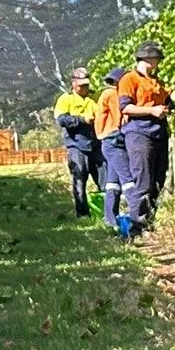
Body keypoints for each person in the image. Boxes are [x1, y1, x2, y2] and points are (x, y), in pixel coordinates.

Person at [118, 41, 174, 229]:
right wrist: (151, 111)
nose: (158, 62)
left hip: (159, 132)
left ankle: (149, 221)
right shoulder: (129, 79)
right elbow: (125, 107)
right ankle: (137, 225)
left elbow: (167, 103)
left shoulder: (158, 82)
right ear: (148, 59)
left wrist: (171, 103)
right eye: (157, 59)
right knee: (143, 179)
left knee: (158, 178)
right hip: (139, 133)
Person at [53, 67, 99, 217]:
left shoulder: (94, 97)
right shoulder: (66, 99)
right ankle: (82, 213)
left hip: (96, 143)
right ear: (73, 83)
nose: (85, 88)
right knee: (80, 179)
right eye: (81, 85)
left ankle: (105, 211)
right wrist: (82, 120)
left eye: (86, 85)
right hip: (76, 145)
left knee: (105, 179)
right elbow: (61, 119)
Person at [96, 66, 132, 233]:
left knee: (113, 183)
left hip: (107, 140)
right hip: (114, 139)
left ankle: (110, 220)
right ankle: (139, 219)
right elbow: (120, 116)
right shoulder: (113, 94)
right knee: (128, 180)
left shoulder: (106, 93)